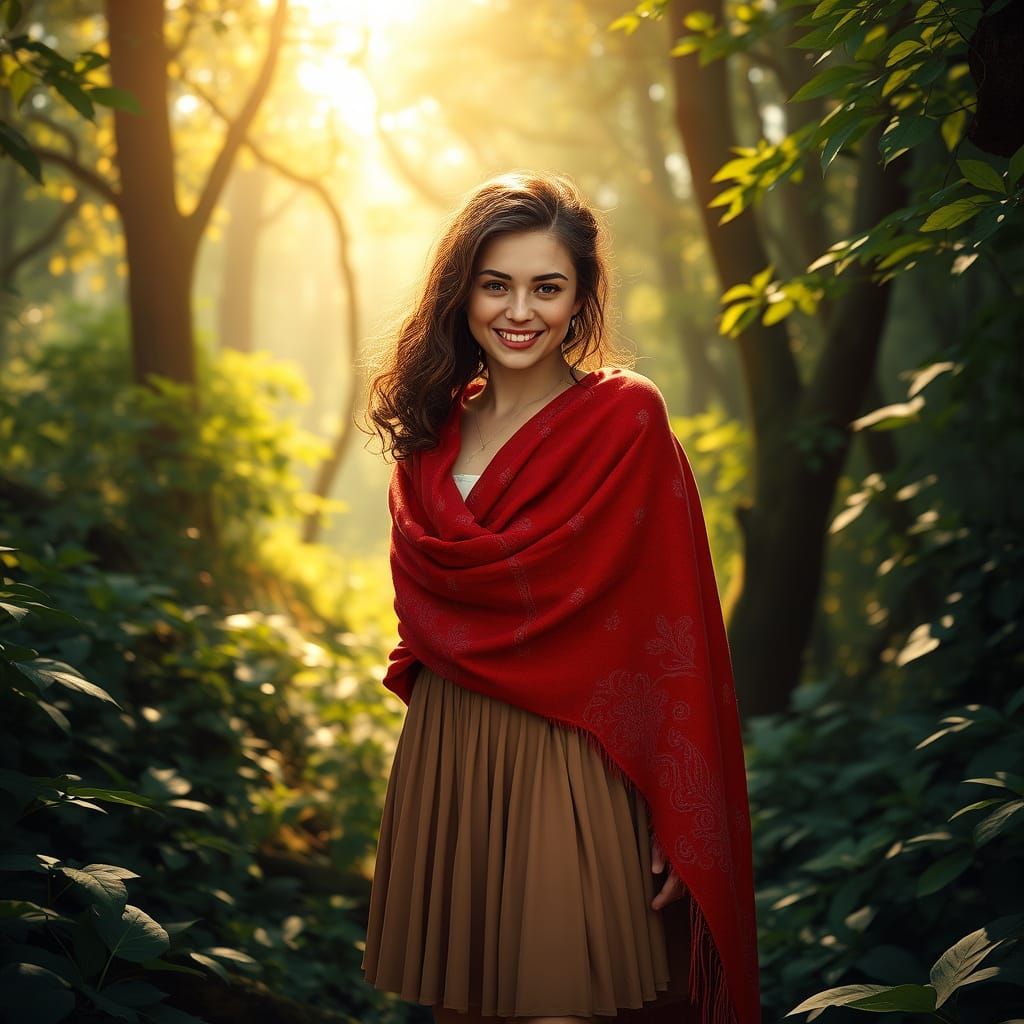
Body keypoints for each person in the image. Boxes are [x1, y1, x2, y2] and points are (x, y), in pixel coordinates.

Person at [359, 171, 760, 1024]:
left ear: (580, 299)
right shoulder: (432, 435)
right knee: (469, 1006)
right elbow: (425, 619)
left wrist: (673, 801)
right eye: (496, 284)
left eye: (548, 287)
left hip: (577, 750)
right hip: (452, 744)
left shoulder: (626, 419)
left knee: (560, 1003)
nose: (520, 311)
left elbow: (673, 625)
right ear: (461, 292)